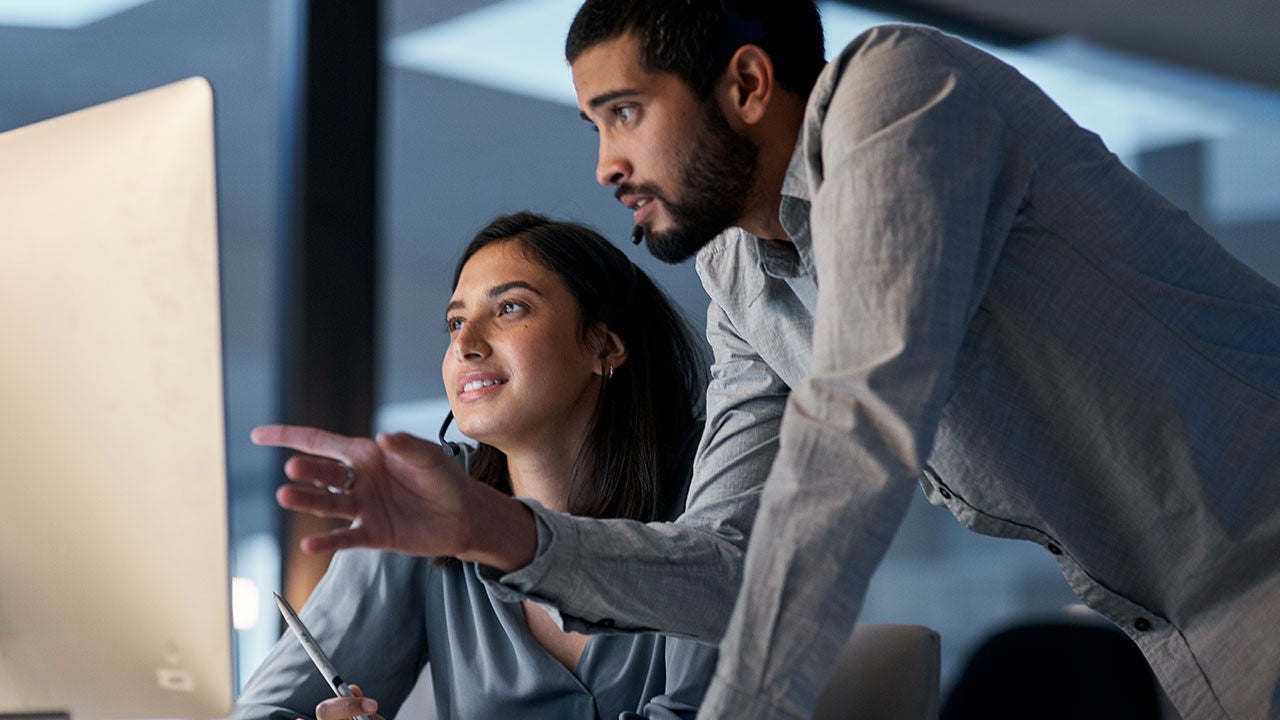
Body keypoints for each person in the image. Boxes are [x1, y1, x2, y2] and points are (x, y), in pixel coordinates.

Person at [560, 2, 1280, 720]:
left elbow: (858, 424)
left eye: (624, 113)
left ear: (747, 84)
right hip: (1202, 635)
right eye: (594, 128)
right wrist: (502, 534)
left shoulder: (898, 90)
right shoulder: (737, 272)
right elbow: (725, 570)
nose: (604, 167)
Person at [234, 211, 716, 720]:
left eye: (509, 308)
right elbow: (261, 712)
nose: (465, 344)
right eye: (455, 322)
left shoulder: (713, 484)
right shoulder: (421, 501)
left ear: (604, 345)